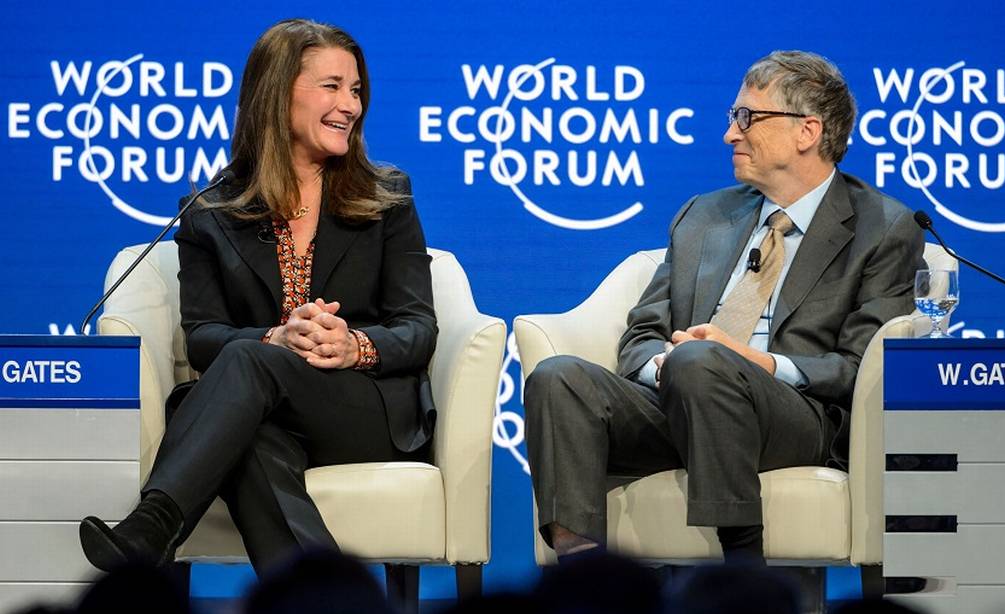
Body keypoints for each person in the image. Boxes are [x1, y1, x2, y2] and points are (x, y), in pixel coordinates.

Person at [524, 50, 925, 563]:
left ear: (807, 131)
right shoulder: (703, 215)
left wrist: (757, 364)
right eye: (734, 118)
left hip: (794, 417)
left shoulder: (883, 228)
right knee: (559, 378)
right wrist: (664, 366)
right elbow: (643, 333)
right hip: (682, 396)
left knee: (703, 361)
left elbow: (860, 365)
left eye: (748, 118)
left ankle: (741, 569)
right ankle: (584, 583)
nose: (730, 134)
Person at [80, 18, 437, 574]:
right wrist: (276, 337)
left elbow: (418, 326)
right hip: (260, 412)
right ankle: (321, 607)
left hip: (359, 409)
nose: (351, 105)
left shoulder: (386, 196)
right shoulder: (210, 212)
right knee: (246, 434)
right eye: (332, 86)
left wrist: (354, 346)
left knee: (239, 368)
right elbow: (202, 339)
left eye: (357, 89)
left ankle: (156, 521)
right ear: (277, 94)